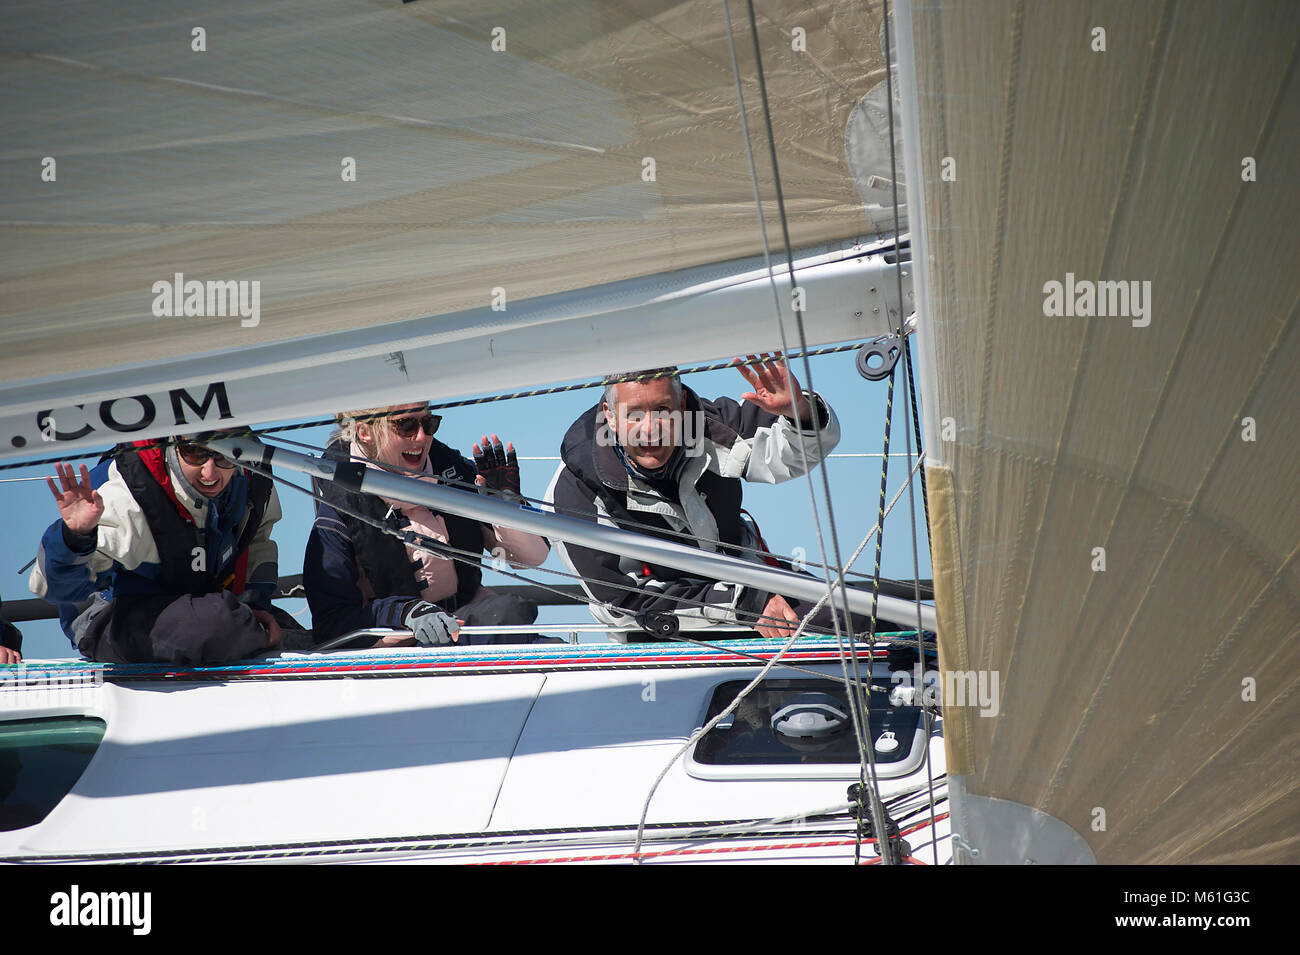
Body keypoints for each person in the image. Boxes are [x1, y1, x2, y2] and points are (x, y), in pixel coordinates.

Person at [548, 354, 905, 640]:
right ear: (610, 415)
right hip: (659, 629)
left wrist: (799, 412)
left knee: (879, 618)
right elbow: (619, 603)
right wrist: (744, 603)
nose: (650, 429)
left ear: (683, 402)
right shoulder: (577, 488)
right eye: (634, 415)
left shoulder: (713, 424)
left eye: (662, 411)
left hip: (755, 588)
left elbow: (789, 455)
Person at [303, 402, 553, 649]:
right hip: (401, 655)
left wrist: (505, 509)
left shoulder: (455, 475)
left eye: (429, 423)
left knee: (514, 617)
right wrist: (405, 614)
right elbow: (331, 623)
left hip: (476, 627)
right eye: (405, 425)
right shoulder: (338, 512)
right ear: (365, 432)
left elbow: (532, 558)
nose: (421, 436)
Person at [29, 435, 285, 665]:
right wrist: (76, 537)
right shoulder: (126, 495)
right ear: (172, 444)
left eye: (224, 455)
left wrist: (256, 603)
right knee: (224, 626)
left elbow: (258, 544)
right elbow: (52, 588)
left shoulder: (252, 481)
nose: (210, 472)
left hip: (203, 603)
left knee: (278, 628)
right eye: (195, 453)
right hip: (113, 615)